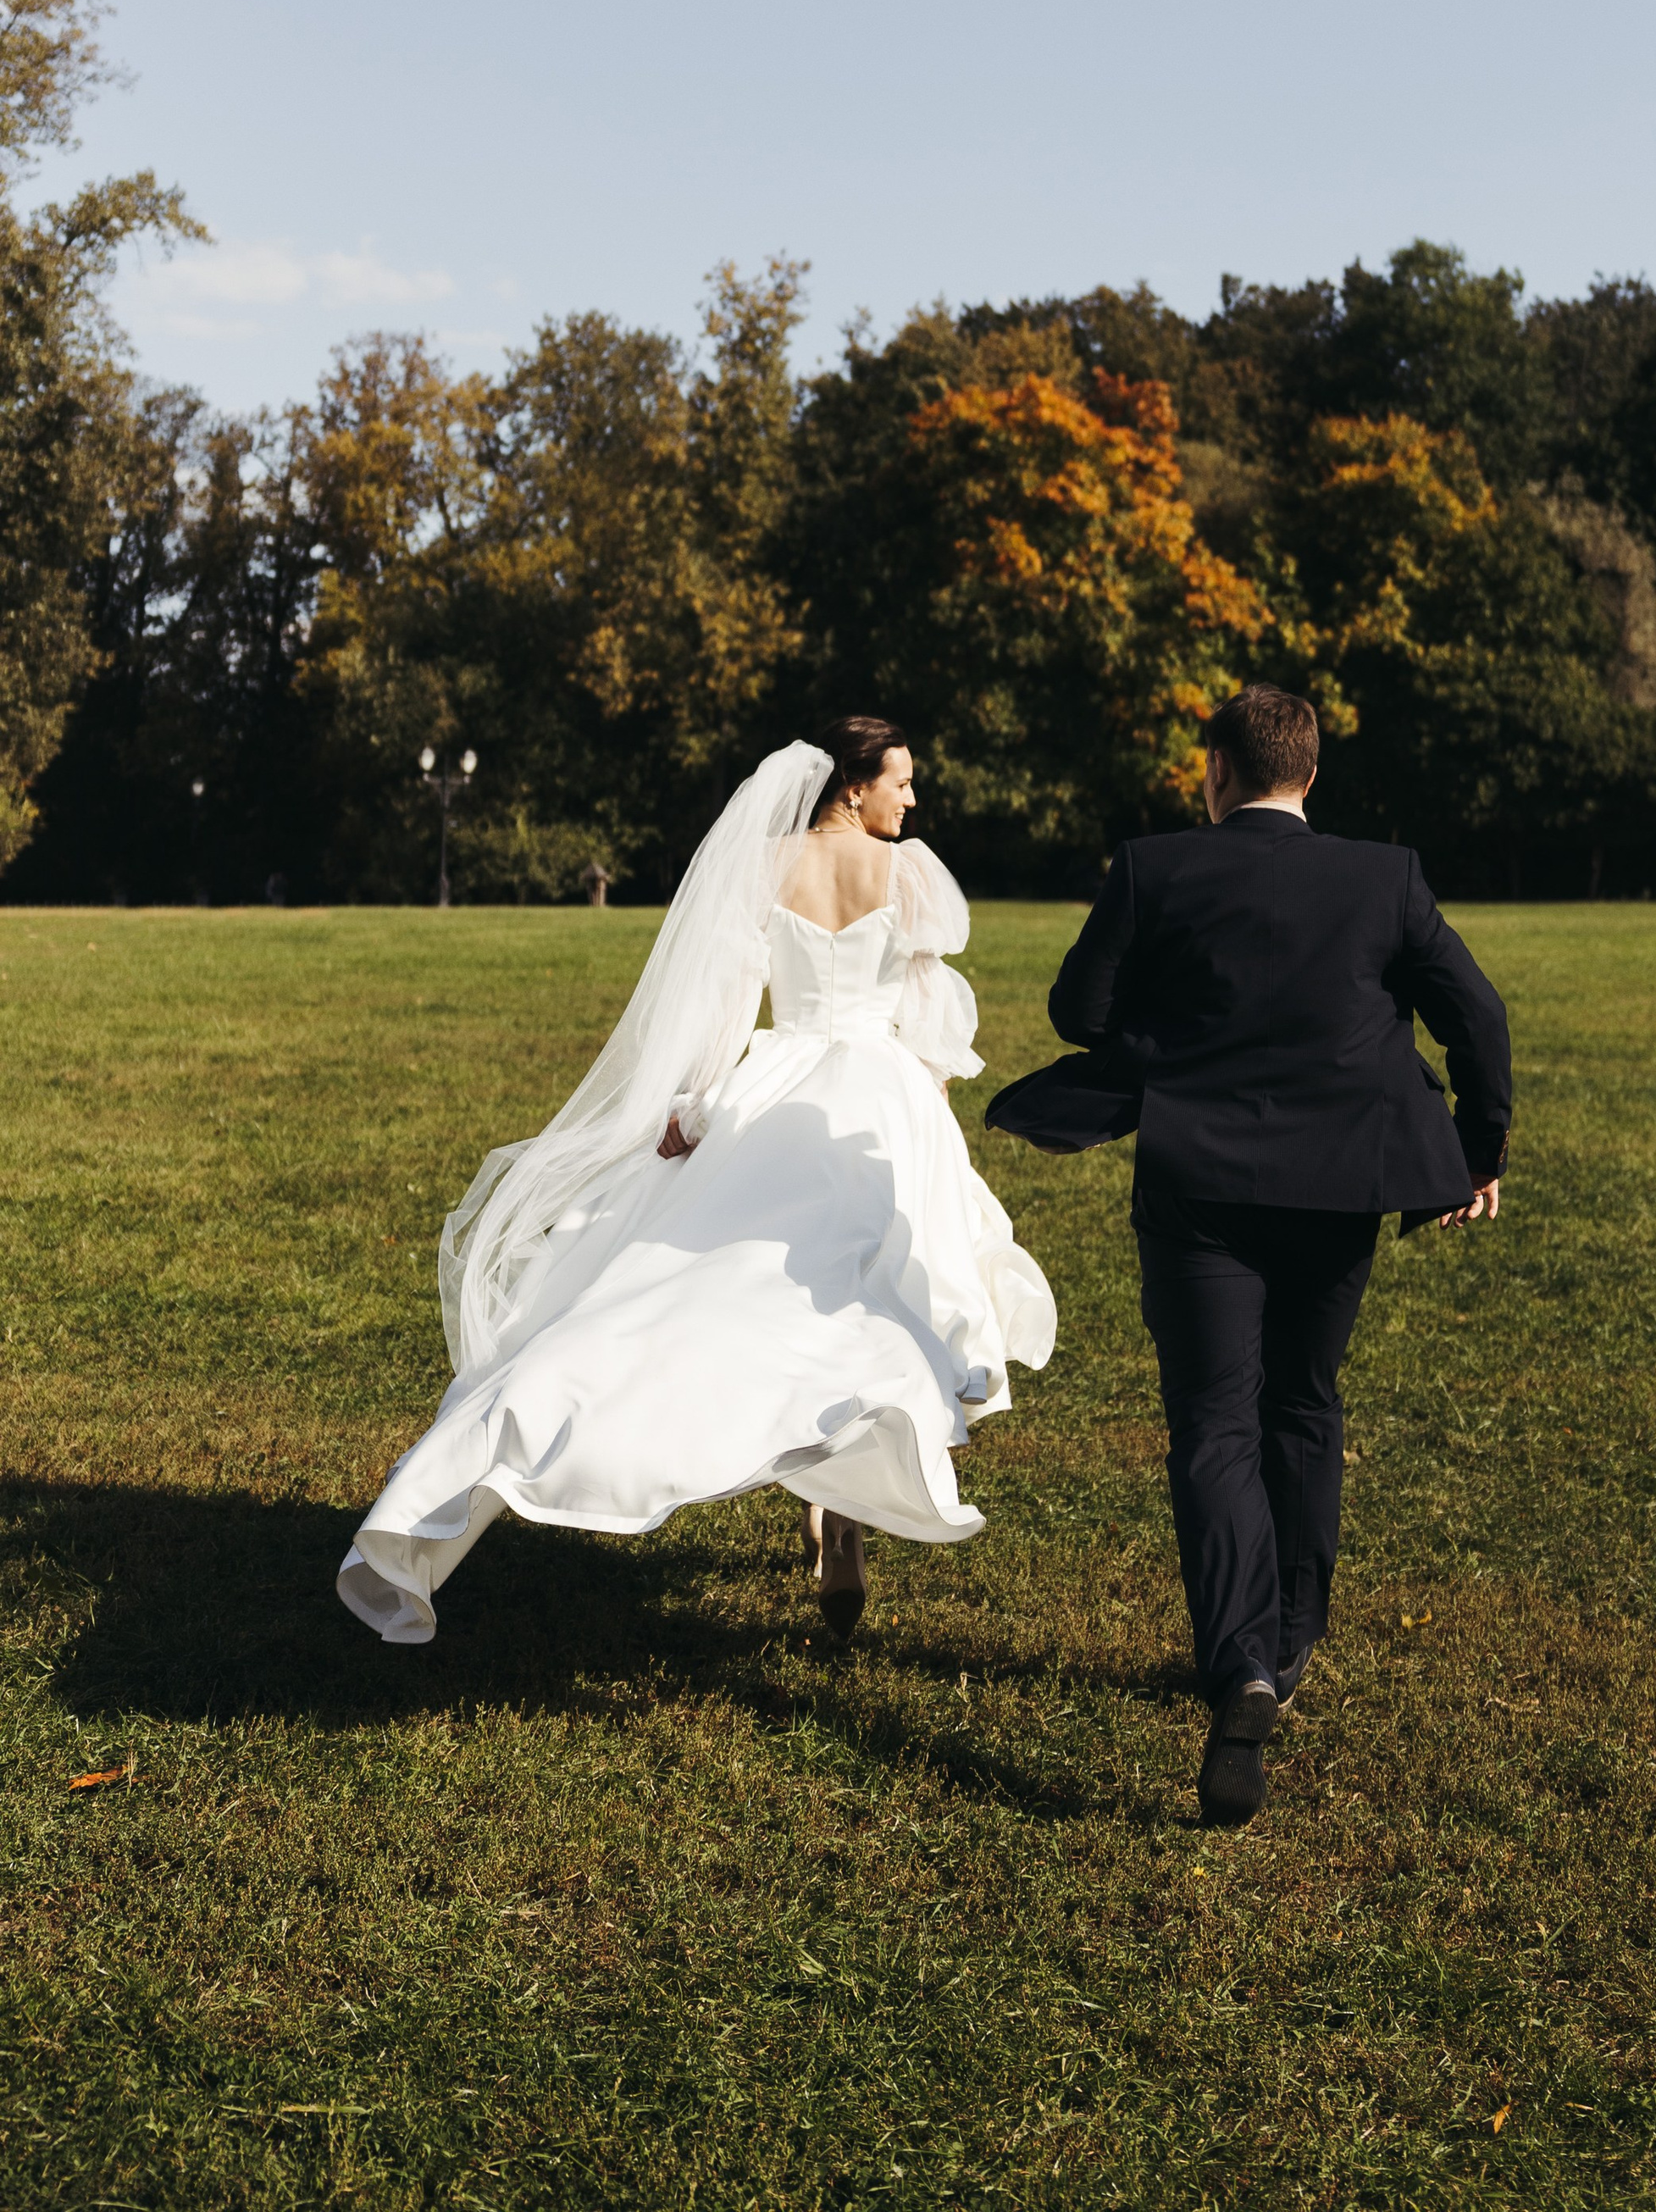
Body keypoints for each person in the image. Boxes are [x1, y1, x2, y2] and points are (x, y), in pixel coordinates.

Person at [338, 723, 1055, 1647]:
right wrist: (931, 1117)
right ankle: (842, 1521)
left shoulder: (765, 865)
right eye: (901, 783)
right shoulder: (908, 874)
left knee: (709, 1291)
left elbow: (725, 1001)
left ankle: (789, 1497)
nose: (910, 801)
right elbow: (928, 1023)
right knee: (859, 1299)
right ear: (852, 790)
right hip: (875, 1098)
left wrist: (699, 1107)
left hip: (774, 1078)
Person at [1047, 684, 1511, 1827]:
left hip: (1198, 1182)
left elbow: (1078, 1008)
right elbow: (1478, 1018)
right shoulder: (1384, 876)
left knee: (1213, 1422)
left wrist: (1173, 1032)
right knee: (1304, 1404)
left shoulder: (1156, 868)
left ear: (1216, 772)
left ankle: (1243, 1660)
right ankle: (1291, 1642)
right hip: (1340, 1187)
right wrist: (1476, 1151)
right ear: (1312, 776)